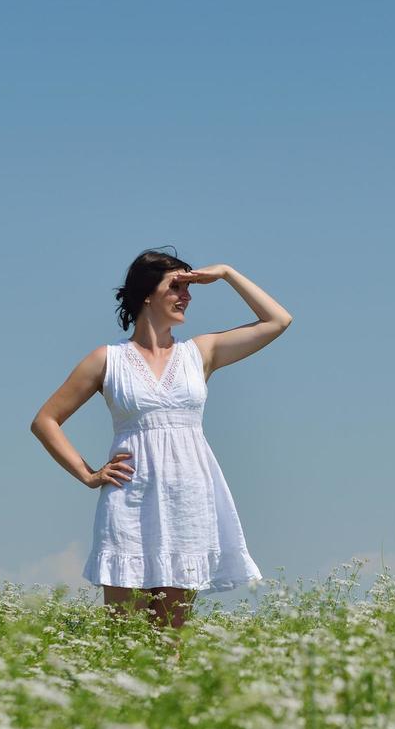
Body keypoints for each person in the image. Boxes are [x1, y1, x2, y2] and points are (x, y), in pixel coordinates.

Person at [29, 249, 292, 650]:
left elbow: (278, 320)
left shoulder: (200, 352)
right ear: (147, 293)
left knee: (171, 638)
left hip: (187, 501)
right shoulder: (107, 360)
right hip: (130, 501)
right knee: (123, 637)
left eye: (189, 287)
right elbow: (45, 420)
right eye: (177, 286)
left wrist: (226, 273)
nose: (186, 295)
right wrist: (88, 474)